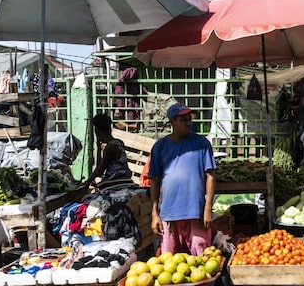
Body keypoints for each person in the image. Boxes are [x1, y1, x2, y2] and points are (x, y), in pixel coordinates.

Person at [149, 103, 217, 256]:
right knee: (169, 262)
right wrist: (154, 214)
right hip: (169, 214)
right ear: (172, 122)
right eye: (183, 119)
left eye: (189, 119)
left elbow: (211, 177)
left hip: (196, 213)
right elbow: (154, 181)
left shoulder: (202, 144)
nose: (188, 123)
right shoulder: (160, 147)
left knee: (203, 258)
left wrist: (208, 208)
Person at [83, 113, 133, 188]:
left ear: (97, 132)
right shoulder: (119, 142)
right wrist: (99, 149)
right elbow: (99, 168)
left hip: (116, 181)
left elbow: (99, 171)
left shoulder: (110, 147)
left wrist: (87, 183)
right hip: (125, 178)